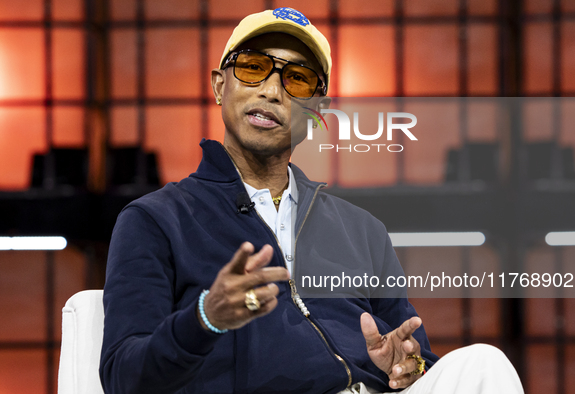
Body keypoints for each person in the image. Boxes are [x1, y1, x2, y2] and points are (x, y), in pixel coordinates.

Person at [99, 7, 524, 394]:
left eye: (296, 79)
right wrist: (205, 319)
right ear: (218, 86)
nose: (271, 91)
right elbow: (123, 377)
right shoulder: (155, 220)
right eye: (253, 68)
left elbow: (415, 357)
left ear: (318, 111)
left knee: (484, 362)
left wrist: (408, 367)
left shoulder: (362, 229)